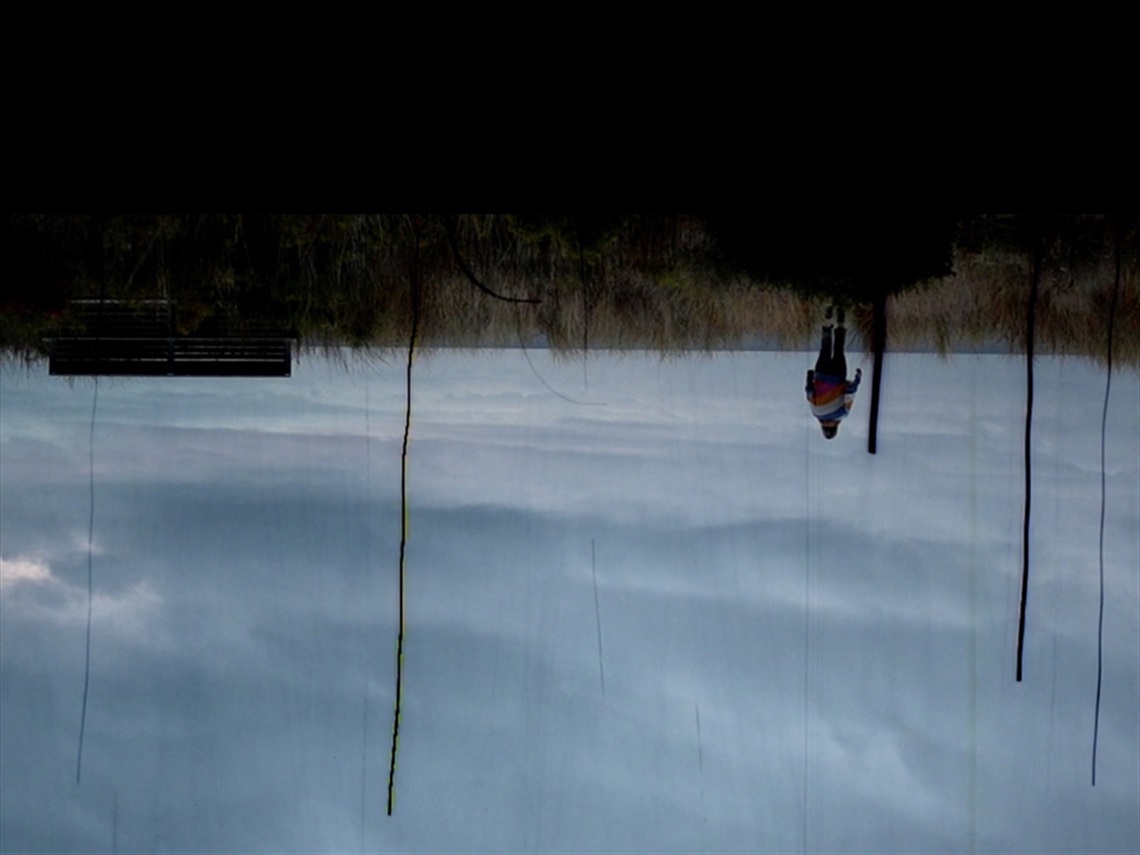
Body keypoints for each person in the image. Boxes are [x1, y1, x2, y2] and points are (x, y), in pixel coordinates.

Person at [806, 305, 862, 439]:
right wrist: (809, 376)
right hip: (821, 374)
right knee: (825, 347)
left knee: (839, 349)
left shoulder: (842, 414)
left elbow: (849, 394)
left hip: (838, 376)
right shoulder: (815, 412)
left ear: (836, 428)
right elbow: (809, 391)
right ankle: (827, 321)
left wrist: (857, 380)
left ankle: (841, 322)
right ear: (822, 428)